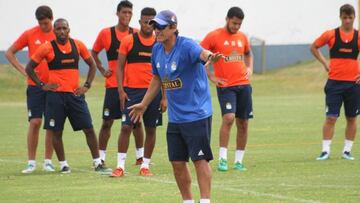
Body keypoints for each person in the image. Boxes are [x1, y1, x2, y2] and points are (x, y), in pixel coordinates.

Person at [129, 10, 222, 203]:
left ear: (173, 28)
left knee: (199, 159)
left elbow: (203, 54)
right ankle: (187, 201)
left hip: (197, 114)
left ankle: (205, 200)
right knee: (177, 163)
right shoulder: (157, 49)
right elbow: (157, 78)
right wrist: (144, 104)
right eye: (155, 26)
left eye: (161, 27)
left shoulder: (186, 45)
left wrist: (211, 56)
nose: (157, 30)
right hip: (176, 117)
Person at [25, 18, 112, 174]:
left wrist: (86, 85)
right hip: (55, 97)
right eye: (58, 29)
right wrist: (41, 85)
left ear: (69, 29)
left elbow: (92, 65)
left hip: (74, 96)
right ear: (54, 31)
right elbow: (29, 67)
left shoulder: (77, 45)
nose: (61, 31)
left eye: (64, 28)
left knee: (89, 128)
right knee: (56, 131)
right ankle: (64, 164)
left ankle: (98, 163)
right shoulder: (47, 48)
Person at [110, 7, 166, 177]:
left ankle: (145, 166)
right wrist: (120, 90)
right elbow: (119, 67)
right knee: (126, 127)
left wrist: (165, 97)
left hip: (154, 93)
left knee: (151, 129)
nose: (148, 24)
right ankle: (120, 166)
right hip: (132, 92)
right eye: (145, 20)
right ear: (140, 21)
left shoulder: (160, 43)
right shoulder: (129, 41)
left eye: (152, 21)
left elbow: (163, 72)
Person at [200, 7, 253, 172]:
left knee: (243, 123)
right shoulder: (214, 36)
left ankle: (239, 161)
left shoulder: (242, 37)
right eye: (234, 23)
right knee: (229, 118)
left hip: (244, 85)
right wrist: (211, 76)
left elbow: (248, 53)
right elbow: (198, 55)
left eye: (239, 24)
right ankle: (223, 159)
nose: (236, 27)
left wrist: (250, 68)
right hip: (226, 86)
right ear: (227, 19)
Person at [91, 0, 144, 165]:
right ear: (117, 13)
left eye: (129, 13)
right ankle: (100, 159)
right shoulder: (106, 33)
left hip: (132, 87)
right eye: (124, 12)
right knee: (107, 122)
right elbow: (93, 52)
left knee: (136, 123)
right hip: (113, 87)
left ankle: (140, 157)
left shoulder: (136, 34)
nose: (127, 16)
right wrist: (101, 69)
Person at [5, 5, 55, 173]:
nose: (43, 26)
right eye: (40, 23)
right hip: (35, 86)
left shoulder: (60, 33)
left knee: (51, 124)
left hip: (54, 87)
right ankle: (31, 162)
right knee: (35, 122)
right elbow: (10, 52)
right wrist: (23, 71)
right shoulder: (30, 34)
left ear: (51, 19)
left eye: (46, 23)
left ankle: (48, 161)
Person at [310, 4, 360, 161]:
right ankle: (325, 150)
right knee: (331, 117)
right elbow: (314, 47)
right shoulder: (331, 34)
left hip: (353, 85)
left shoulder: (358, 36)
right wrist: (325, 64)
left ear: (354, 18)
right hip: (334, 84)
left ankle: (347, 150)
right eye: (344, 17)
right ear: (340, 17)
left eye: (350, 18)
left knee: (351, 118)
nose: (347, 21)